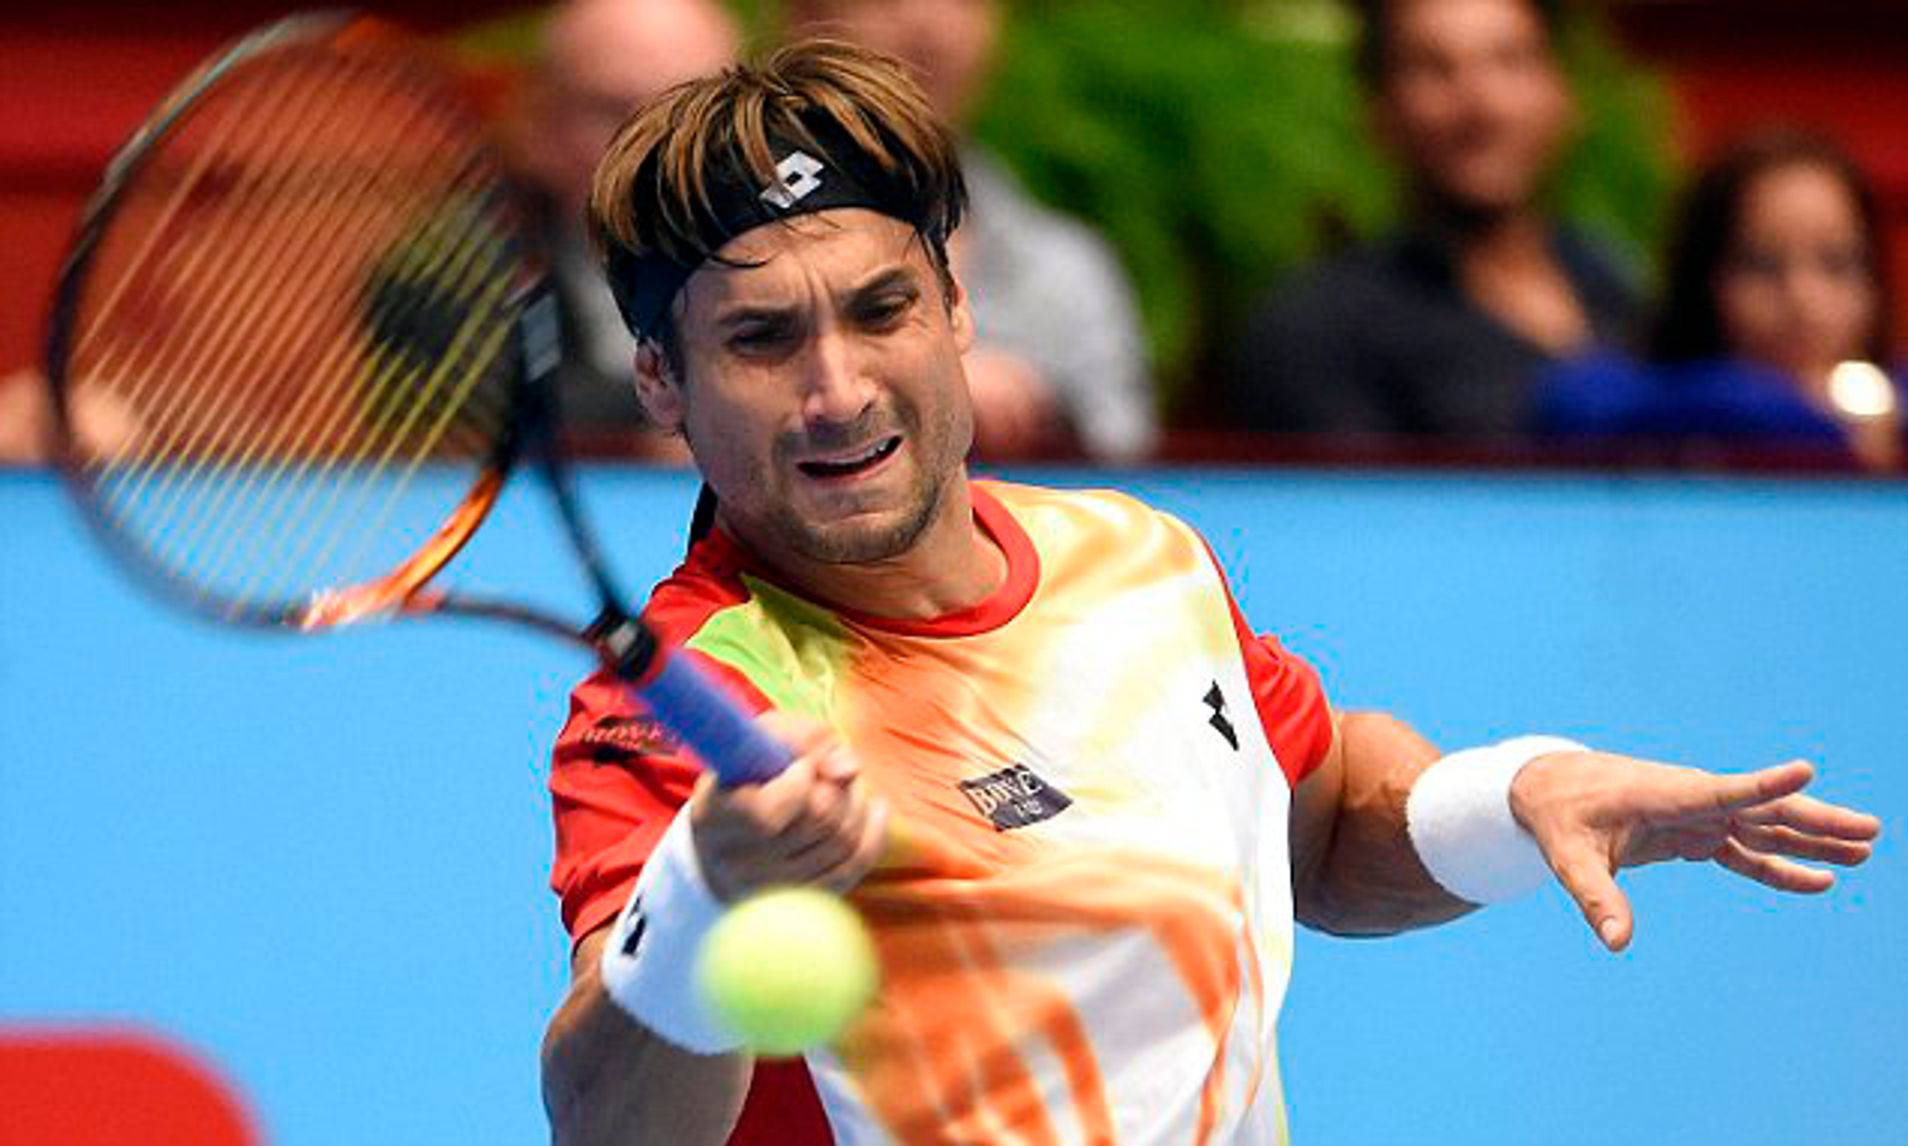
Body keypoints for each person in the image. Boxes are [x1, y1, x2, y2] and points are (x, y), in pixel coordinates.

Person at [536, 41, 1879, 1146]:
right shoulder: (686, 703)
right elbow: (606, 1120)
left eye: (881, 309)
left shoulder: (1140, 559)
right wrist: (704, 892)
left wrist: (1516, 793)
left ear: (955, 301)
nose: (838, 388)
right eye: (762, 338)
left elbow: (1326, 822)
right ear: (661, 378)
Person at [1229, 0, 1638, 441]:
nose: (1483, 106)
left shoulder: (1616, 285)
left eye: (1510, 62)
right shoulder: (1316, 331)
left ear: (1564, 95)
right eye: (1435, 70)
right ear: (1377, 112)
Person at [783, 0, 1157, 462]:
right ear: (799, 20)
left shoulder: (1066, 267)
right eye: (887, 0)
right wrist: (932, 391)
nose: (930, 25)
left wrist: (1046, 416)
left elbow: (1127, 461)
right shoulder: (724, 243)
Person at [1538, 129, 1902, 471]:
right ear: (1703, 278)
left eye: (1837, 264)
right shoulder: (1638, 402)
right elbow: (1576, 403)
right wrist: (1806, 414)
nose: (1803, 299)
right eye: (1762, 265)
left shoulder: (1896, 403)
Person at [503, 0, 739, 456]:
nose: (653, 142)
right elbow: (484, 413)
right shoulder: (455, 272)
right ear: (539, 124)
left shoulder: (808, 261)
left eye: (691, 108)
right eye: (613, 109)